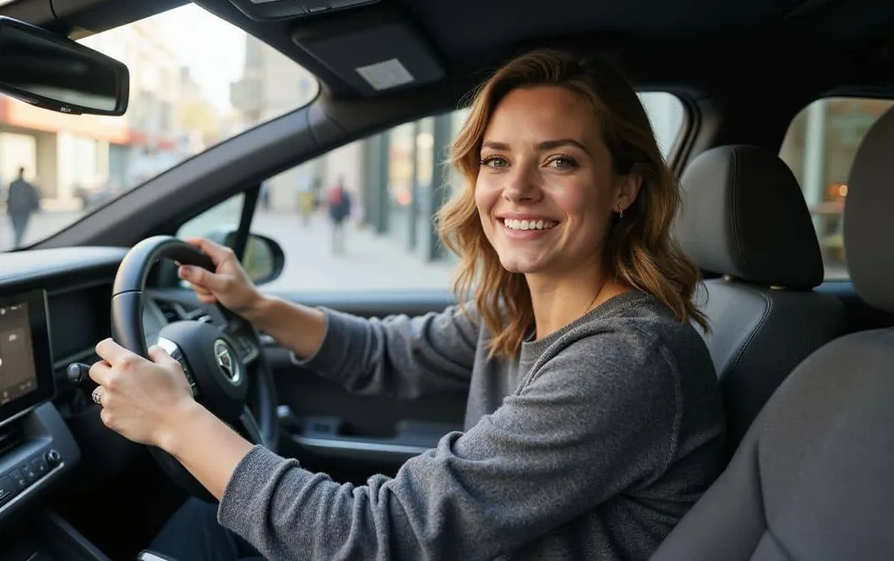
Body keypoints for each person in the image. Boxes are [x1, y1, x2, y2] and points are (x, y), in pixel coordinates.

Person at [88, 49, 726, 561]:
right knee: (208, 525)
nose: (518, 189)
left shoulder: (626, 361)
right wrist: (252, 303)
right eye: (496, 160)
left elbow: (373, 538)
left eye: (560, 161)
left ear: (625, 189)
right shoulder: (519, 308)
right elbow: (388, 355)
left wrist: (175, 421)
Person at [6, 167, 41, 248]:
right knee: (21, 228)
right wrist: (36, 208)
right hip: (23, 210)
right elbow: (33, 197)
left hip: (14, 210)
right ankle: (18, 244)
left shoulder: (13, 184)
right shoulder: (27, 186)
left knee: (17, 228)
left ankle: (17, 243)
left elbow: (9, 198)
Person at [326, 176, 352, 254]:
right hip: (338, 215)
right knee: (339, 232)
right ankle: (338, 248)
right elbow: (347, 205)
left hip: (337, 215)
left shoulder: (336, 192)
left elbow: (330, 204)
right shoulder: (343, 192)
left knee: (337, 232)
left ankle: (337, 248)